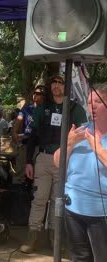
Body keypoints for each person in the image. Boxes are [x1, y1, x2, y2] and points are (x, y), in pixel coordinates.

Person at [20, 74, 87, 253]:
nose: (56, 86)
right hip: (43, 158)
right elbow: (32, 136)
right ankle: (32, 236)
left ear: (66, 86)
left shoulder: (75, 108)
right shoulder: (42, 108)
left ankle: (55, 238)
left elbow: (84, 135)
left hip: (65, 160)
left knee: (58, 200)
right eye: (53, 83)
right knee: (39, 199)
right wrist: (28, 162)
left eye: (60, 82)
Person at [52, 83, 107, 262]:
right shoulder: (81, 130)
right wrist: (68, 144)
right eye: (89, 102)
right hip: (73, 207)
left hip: (101, 211)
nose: (92, 107)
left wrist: (97, 148)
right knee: (80, 258)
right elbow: (57, 161)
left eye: (97, 102)